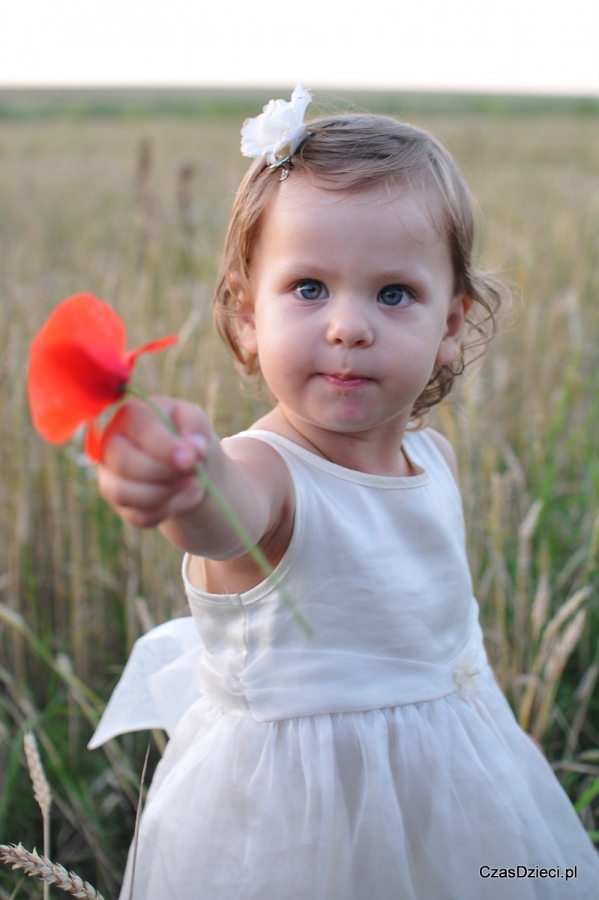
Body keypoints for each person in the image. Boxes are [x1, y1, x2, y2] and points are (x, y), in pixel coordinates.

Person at [89, 86, 599, 898]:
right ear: (246, 315)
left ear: (448, 326)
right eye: (309, 289)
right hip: (296, 831)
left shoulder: (435, 462)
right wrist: (181, 472)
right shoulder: (268, 476)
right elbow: (221, 511)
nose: (347, 326)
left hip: (457, 785)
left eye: (393, 293)